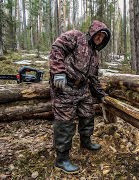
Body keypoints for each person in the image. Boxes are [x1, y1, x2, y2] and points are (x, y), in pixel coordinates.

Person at [49, 20, 111, 174]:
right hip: (64, 86)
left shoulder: (95, 56)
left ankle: (86, 141)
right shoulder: (76, 36)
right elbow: (57, 47)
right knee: (65, 122)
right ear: (93, 32)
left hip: (82, 88)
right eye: (99, 34)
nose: (100, 38)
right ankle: (61, 159)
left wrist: (102, 95)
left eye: (103, 37)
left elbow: (94, 79)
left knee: (88, 114)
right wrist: (58, 72)